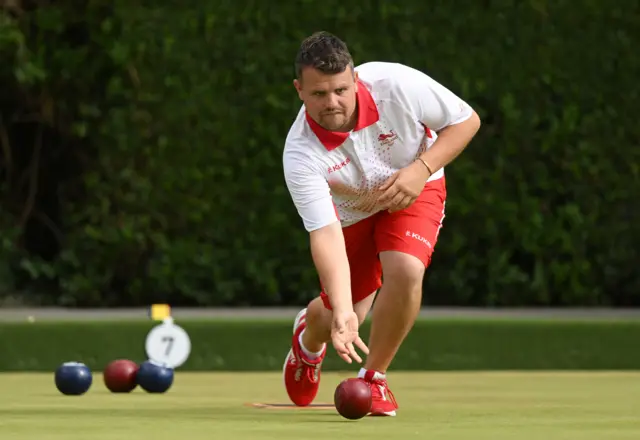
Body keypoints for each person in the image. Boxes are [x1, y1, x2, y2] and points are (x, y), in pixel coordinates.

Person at [281, 31, 481, 417]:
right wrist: (341, 312)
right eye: (319, 94)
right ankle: (308, 341)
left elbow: (466, 121)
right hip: (351, 214)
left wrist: (421, 169)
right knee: (344, 314)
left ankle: (374, 379)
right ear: (299, 90)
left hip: (414, 187)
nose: (333, 103)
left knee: (406, 269)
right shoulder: (300, 153)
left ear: (356, 80)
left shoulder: (398, 85)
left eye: (341, 89)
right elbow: (325, 234)